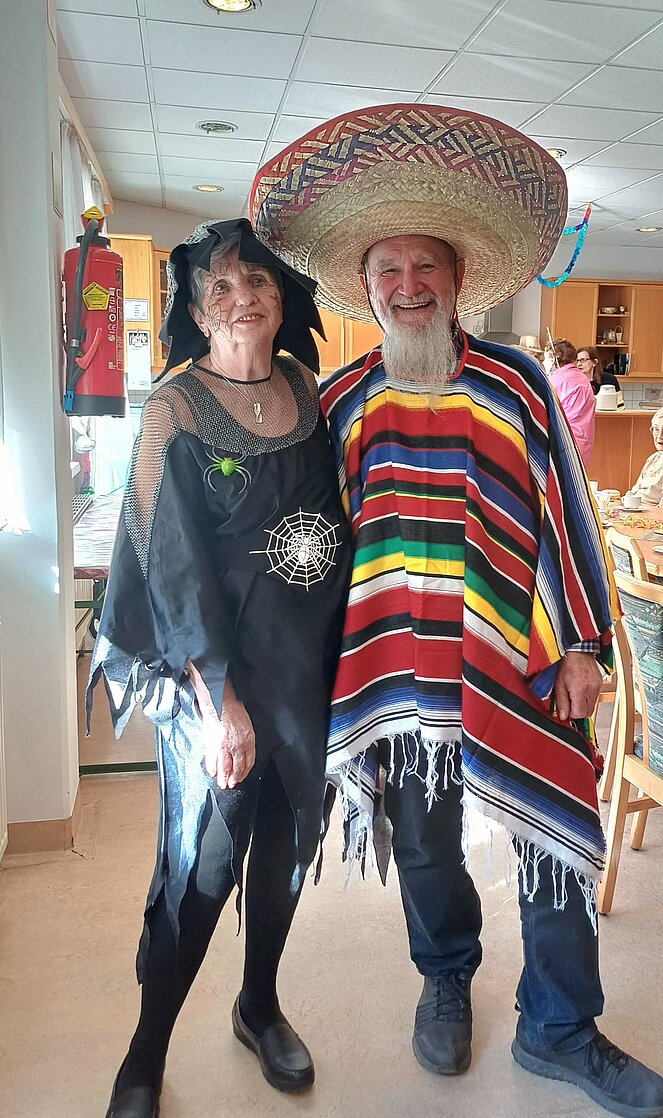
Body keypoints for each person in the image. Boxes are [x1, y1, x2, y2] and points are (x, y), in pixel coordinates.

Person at [251, 103, 663, 1117]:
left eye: (424, 265)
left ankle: (560, 1025)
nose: (407, 284)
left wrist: (582, 642)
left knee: (552, 832)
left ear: (456, 275)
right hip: (393, 666)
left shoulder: (517, 385)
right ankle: (445, 974)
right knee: (425, 843)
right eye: (387, 269)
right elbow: (312, 542)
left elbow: (566, 512)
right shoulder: (342, 401)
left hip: (519, 656)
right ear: (366, 287)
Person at [88, 218, 351, 1118]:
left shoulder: (308, 391)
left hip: (304, 674)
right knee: (201, 867)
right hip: (215, 686)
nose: (244, 300)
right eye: (222, 289)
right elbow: (169, 564)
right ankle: (144, 1052)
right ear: (197, 314)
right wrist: (217, 701)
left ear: (284, 298)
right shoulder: (174, 409)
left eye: (259, 283)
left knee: (284, 850)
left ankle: (258, 1006)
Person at [545, 338, 596, 465]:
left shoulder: (556, 380)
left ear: (553, 359)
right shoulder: (583, 378)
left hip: (562, 441)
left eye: (546, 358)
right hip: (583, 441)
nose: (544, 362)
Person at [623, 406, 663, 507]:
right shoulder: (653, 458)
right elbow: (634, 491)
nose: (660, 436)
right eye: (656, 430)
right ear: (651, 431)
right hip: (635, 509)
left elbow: (661, 510)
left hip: (650, 513)